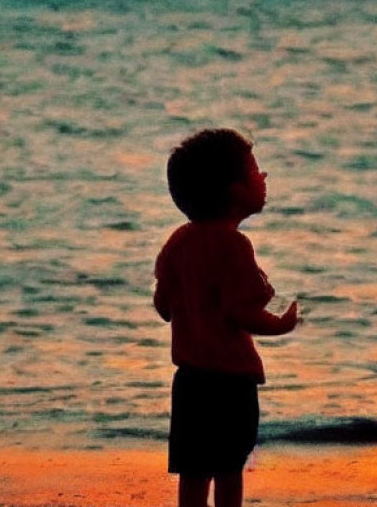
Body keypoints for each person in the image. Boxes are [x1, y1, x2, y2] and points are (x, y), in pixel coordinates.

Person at [154, 128, 300, 507]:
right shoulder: (234, 245)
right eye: (255, 171)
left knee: (194, 468)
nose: (263, 177)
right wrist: (282, 324)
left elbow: (164, 307)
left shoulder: (178, 242)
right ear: (236, 192)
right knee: (229, 468)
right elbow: (243, 313)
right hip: (230, 383)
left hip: (188, 383)